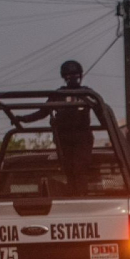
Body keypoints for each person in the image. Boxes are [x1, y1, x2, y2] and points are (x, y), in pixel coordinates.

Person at [19, 60, 95, 196]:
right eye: (69, 76)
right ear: (64, 77)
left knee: (79, 169)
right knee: (69, 170)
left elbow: (102, 112)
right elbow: (42, 112)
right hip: (64, 138)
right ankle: (73, 196)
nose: (73, 79)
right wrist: (24, 119)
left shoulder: (88, 94)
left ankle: (81, 197)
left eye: (75, 75)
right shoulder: (58, 95)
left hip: (82, 138)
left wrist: (113, 131)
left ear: (80, 76)